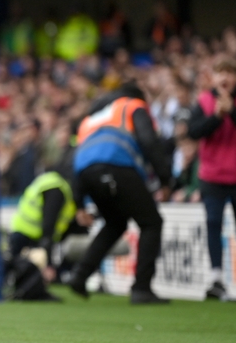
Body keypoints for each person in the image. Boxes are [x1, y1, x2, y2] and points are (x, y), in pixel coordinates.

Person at [68, 82, 173, 304]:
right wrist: (165, 178)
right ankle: (142, 288)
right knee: (151, 222)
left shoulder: (92, 118)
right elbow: (149, 141)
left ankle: (80, 275)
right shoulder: (133, 105)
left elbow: (77, 159)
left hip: (85, 174)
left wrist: (79, 203)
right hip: (116, 165)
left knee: (116, 223)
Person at [186, 57, 236, 302]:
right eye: (221, 73)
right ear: (214, 77)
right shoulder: (204, 101)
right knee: (213, 224)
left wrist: (233, 112)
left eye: (231, 73)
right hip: (211, 176)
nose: (226, 78)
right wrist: (217, 117)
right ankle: (216, 278)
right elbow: (193, 131)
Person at [8, 170, 76, 284]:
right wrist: (48, 263)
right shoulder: (58, 189)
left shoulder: (46, 180)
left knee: (16, 271)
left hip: (20, 231)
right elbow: (48, 226)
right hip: (34, 239)